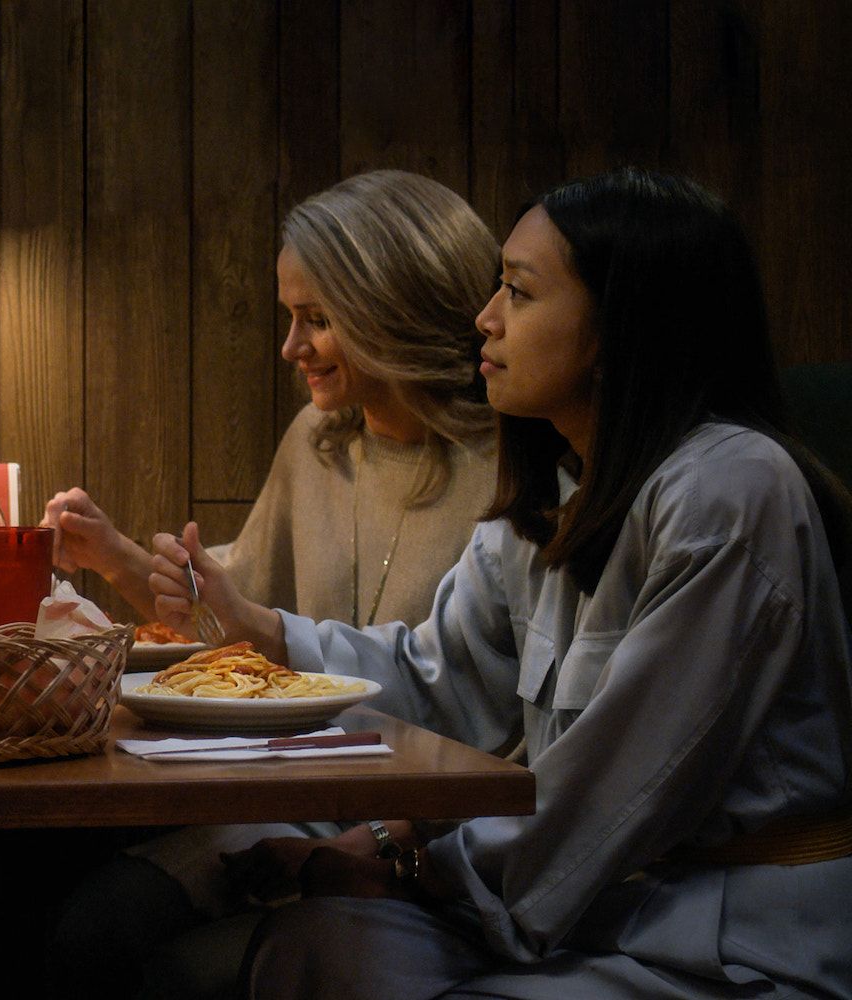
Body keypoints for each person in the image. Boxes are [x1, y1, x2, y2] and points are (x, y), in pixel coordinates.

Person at [152, 168, 852, 999]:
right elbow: (437, 678)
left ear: (621, 324)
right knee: (315, 948)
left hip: (726, 941)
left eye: (518, 293)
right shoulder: (560, 494)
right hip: (599, 913)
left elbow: (609, 789)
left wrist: (414, 868)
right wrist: (260, 633)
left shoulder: (730, 490)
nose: (484, 319)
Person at [46, 170, 510, 998]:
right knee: (102, 915)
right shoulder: (317, 441)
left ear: (394, 312)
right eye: (290, 316)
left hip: (437, 831)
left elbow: (496, 716)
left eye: (318, 320)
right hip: (302, 790)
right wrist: (116, 558)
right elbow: (236, 639)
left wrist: (379, 841)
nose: (290, 347)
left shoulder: (515, 472)